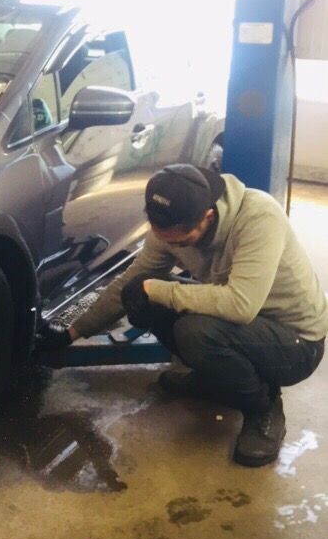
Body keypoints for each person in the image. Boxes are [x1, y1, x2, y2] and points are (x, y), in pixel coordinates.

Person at [40, 164, 328, 467]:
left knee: (195, 331)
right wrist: (72, 332)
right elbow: (130, 282)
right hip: (243, 324)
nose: (172, 246)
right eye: (165, 240)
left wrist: (158, 290)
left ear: (208, 217)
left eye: (180, 242)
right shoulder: (171, 227)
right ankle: (215, 380)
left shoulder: (259, 218)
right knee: (139, 293)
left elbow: (240, 305)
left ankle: (263, 407)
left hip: (296, 342)